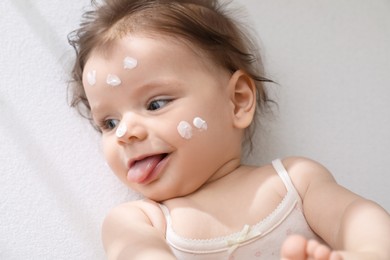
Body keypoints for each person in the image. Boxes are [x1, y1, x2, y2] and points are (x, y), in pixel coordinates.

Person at [68, 0, 390, 259]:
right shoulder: (137, 223)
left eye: (155, 104)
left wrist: (368, 252)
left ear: (237, 102)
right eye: (109, 123)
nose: (125, 133)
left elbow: (356, 215)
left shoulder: (296, 183)